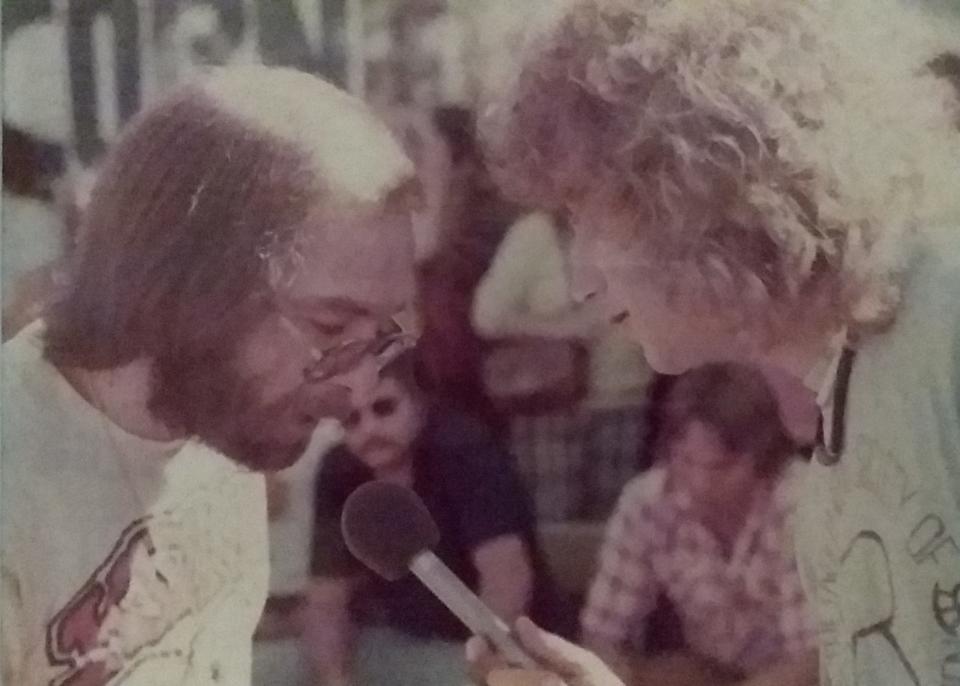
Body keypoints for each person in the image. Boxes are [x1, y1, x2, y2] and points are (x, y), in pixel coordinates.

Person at [471, 1, 960, 685]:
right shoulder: (833, 445)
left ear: (701, 178)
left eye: (587, 214)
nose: (581, 280)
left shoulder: (943, 311)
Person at [1, 65, 420, 686]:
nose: (358, 391)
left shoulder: (220, 420)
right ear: (188, 286)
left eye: (380, 336)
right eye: (331, 328)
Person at [305, 351, 566, 686]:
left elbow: (507, 584)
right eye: (352, 420)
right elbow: (326, 600)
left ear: (420, 403)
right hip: (401, 641)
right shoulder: (338, 469)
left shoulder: (466, 450)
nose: (369, 429)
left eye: (384, 408)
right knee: (272, 665)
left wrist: (483, 672)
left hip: (493, 648)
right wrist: (335, 681)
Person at [582, 363, 816, 685]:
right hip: (715, 671)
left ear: (764, 457)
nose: (699, 484)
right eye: (685, 461)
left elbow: (815, 660)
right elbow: (603, 635)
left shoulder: (801, 504)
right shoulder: (647, 501)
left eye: (721, 468)